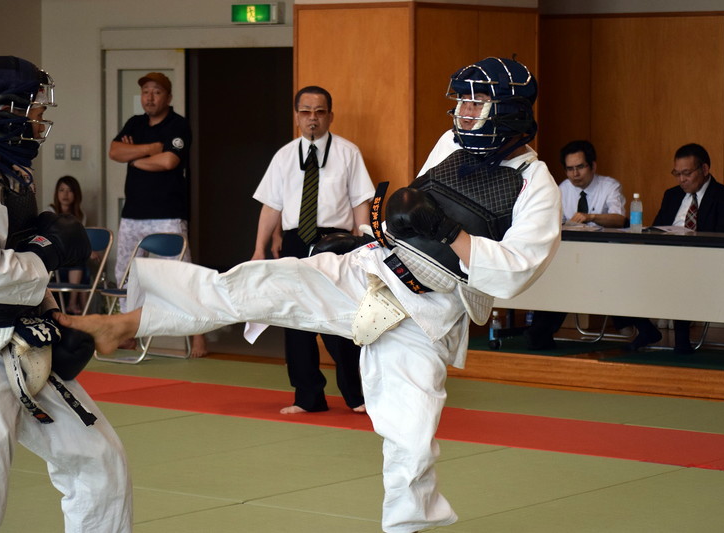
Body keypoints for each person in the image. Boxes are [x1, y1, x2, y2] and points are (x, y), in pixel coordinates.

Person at [59, 57, 560, 533]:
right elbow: (414, 219)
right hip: (371, 269)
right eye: (461, 102)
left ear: (508, 111)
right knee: (252, 285)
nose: (462, 112)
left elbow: (515, 272)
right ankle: (127, 323)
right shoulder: (452, 144)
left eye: (476, 103)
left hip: (425, 313)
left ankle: (407, 526)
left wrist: (450, 233)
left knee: (410, 441)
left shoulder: (537, 185)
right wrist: (370, 237)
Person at [0, 56, 131, 531]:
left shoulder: (9, 165)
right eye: (36, 109)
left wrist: (56, 318)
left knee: (100, 463)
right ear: (9, 108)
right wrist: (49, 254)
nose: (42, 120)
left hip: (22, 345)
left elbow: (19, 255)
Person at [251, 86, 374, 414]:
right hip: (294, 241)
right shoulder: (284, 156)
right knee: (295, 319)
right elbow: (271, 206)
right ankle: (307, 397)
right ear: (296, 117)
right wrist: (258, 249)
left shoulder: (348, 153)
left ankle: (357, 395)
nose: (312, 119)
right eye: (305, 112)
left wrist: (365, 244)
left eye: (319, 112)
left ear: (330, 116)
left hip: (335, 242)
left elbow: (361, 201)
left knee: (341, 318)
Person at [524, 140, 661, 350]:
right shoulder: (561, 189)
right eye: (570, 169)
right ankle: (542, 330)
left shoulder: (609, 186)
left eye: (580, 167)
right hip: (572, 258)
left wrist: (591, 217)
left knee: (605, 276)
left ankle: (637, 324)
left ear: (593, 166)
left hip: (607, 256)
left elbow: (620, 219)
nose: (575, 174)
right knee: (556, 273)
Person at [108, 71, 206, 357]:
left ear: (168, 97)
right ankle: (129, 333)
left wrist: (135, 155)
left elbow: (168, 161)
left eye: (156, 92)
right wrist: (150, 148)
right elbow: (115, 151)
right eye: (146, 92)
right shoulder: (135, 123)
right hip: (133, 214)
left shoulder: (178, 126)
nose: (150, 97)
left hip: (167, 214)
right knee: (126, 275)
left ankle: (198, 335)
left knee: (180, 276)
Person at [651, 143, 724, 353]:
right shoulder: (672, 195)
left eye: (687, 173)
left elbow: (721, 236)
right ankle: (645, 329)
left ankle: (681, 342)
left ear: (704, 170)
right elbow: (657, 228)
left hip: (706, 262)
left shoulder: (722, 196)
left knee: (680, 274)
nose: (681, 180)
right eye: (677, 173)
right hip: (668, 258)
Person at [49, 175, 87, 314]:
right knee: (80, 263)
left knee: (84, 264)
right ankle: (75, 305)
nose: (65, 194)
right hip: (57, 257)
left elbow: (81, 241)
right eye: (61, 190)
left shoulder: (81, 216)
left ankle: (82, 311)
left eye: (69, 190)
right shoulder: (51, 212)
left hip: (72, 257)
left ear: (76, 194)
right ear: (56, 193)